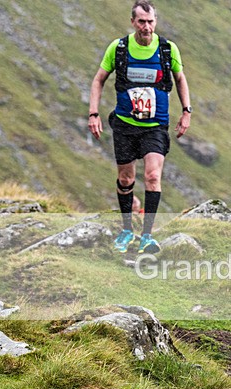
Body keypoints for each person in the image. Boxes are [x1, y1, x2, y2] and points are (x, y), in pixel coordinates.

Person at [87, 0, 192, 254]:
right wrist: (93, 113)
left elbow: (180, 79)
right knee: (126, 178)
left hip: (155, 125)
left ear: (156, 21)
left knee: (153, 176)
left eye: (151, 21)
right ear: (133, 22)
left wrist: (186, 111)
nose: (147, 27)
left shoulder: (167, 49)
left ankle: (147, 235)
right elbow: (99, 80)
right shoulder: (119, 48)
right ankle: (126, 230)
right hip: (125, 124)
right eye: (142, 22)